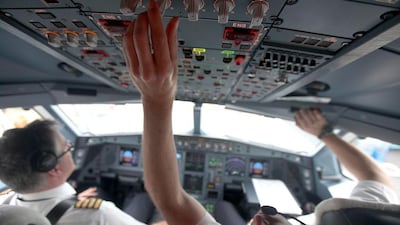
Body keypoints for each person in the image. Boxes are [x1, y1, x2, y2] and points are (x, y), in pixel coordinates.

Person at [122, 0, 398, 225]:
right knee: (223, 205)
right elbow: (376, 180)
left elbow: (171, 201)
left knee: (207, 205)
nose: (257, 221)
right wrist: (324, 132)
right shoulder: (346, 216)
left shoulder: (338, 216)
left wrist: (156, 98)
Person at [0, 120, 146, 225]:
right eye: (67, 148)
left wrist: (71, 202)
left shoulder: (6, 207)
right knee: (145, 197)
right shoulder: (97, 215)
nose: (71, 149)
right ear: (54, 168)